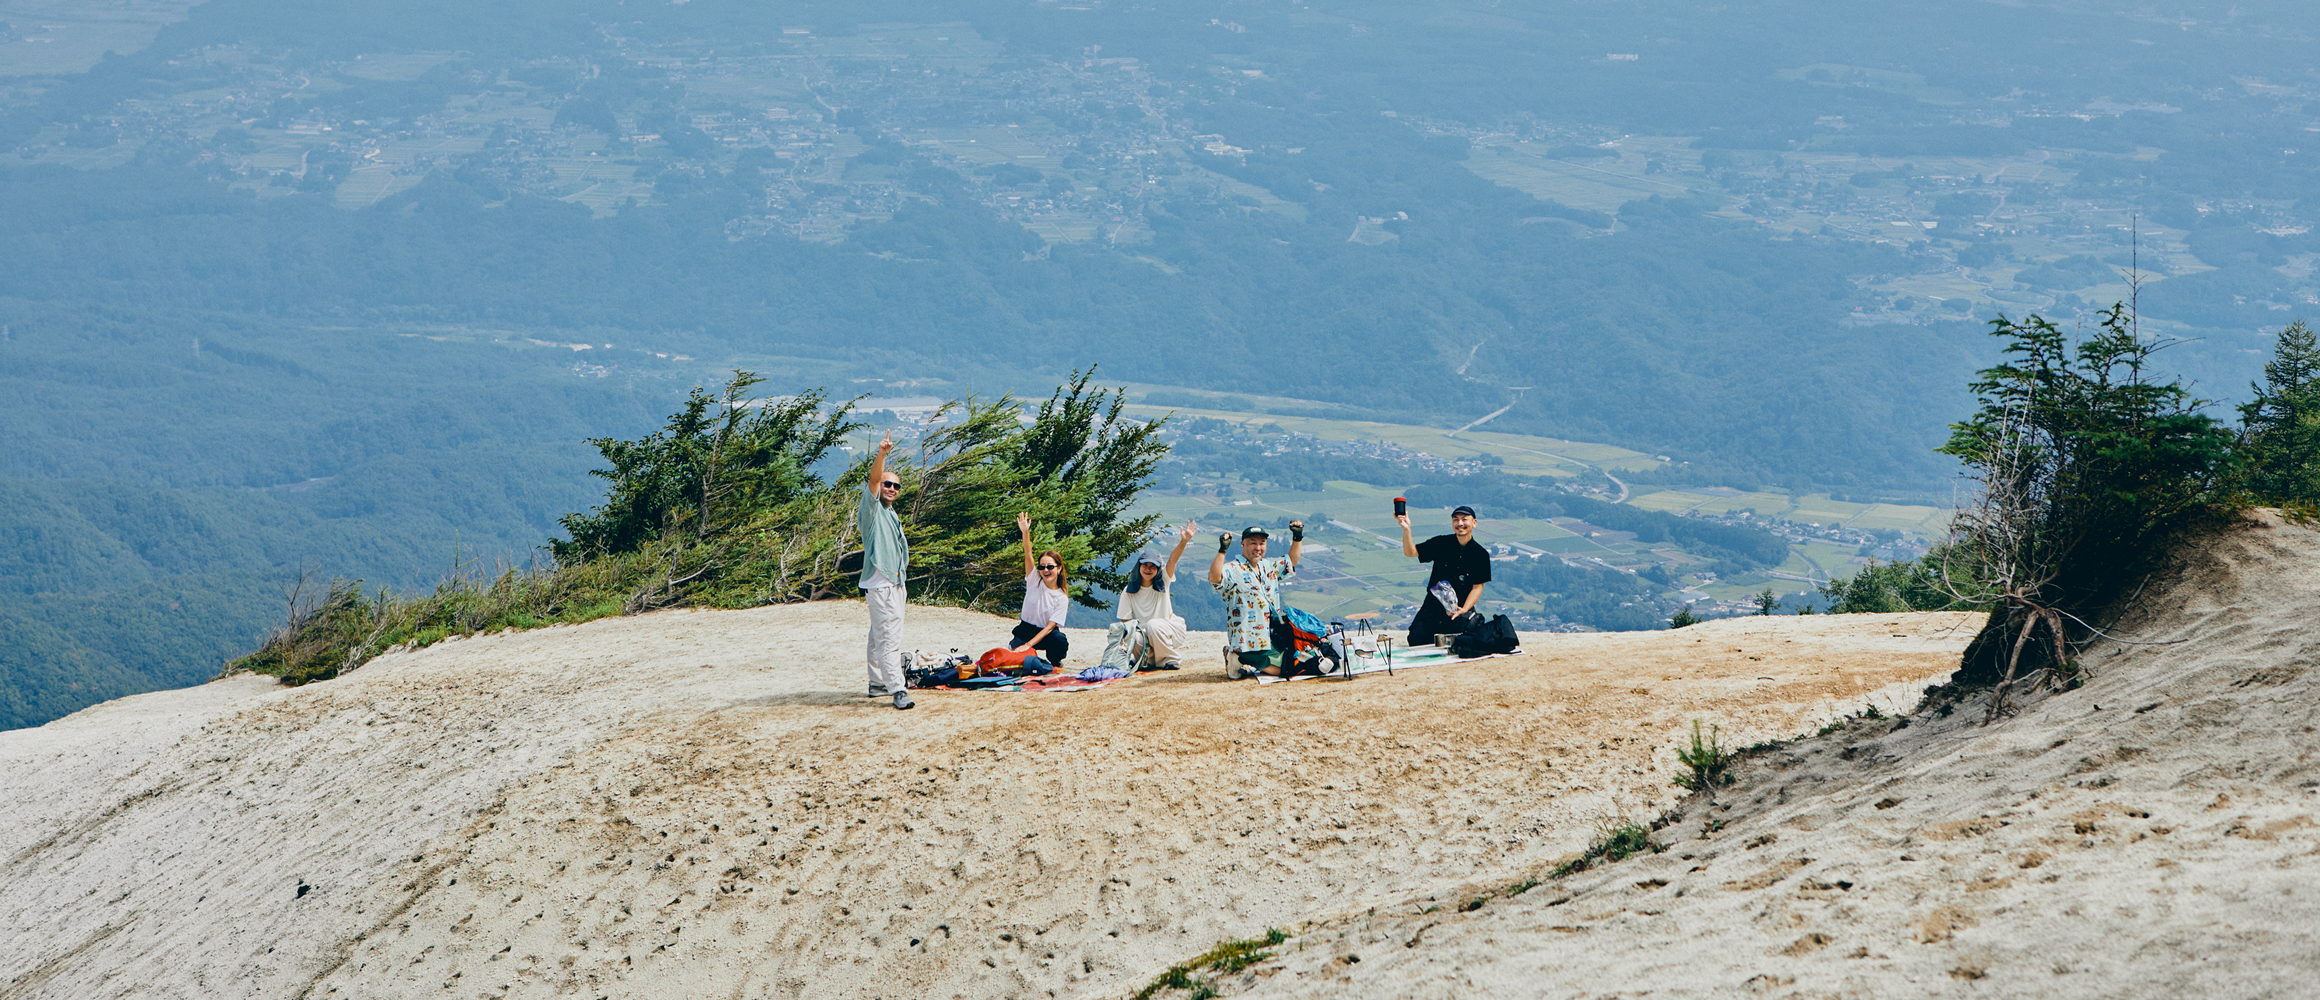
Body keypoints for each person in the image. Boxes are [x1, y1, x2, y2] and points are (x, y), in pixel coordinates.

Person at [859, 432, 913, 710]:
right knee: (889, 637)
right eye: (887, 483)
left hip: (893, 582)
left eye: (896, 486)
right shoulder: (872, 509)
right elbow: (872, 480)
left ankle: (877, 682)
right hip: (881, 583)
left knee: (878, 634)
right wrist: (882, 453)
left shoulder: (891, 513)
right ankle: (897, 689)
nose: (891, 488)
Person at [1209, 521, 1305, 678]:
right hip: (1246, 640)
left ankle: (1239, 657)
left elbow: (1291, 561)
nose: (1258, 548)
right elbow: (1215, 578)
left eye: (1262, 543)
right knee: (1285, 671)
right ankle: (1237, 656)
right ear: (1243, 545)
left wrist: (1297, 537)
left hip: (1270, 635)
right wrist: (1222, 550)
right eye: (1253, 543)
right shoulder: (1233, 568)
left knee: (1292, 663)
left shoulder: (1269, 566)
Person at [1398, 503, 1491, 646]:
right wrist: (1406, 529)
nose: (1460, 523)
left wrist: (1464, 609)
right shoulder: (1441, 543)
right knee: (1416, 639)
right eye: (1456, 519)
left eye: (1464, 519)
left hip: (1459, 608)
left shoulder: (1480, 554)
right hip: (1433, 605)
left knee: (1459, 642)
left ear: (1474, 522)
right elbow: (1410, 552)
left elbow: (1477, 587)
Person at [1116, 521, 1196, 670]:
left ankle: (1170, 659)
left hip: (1168, 629)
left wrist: (1183, 541)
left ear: (1158, 569)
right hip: (1146, 635)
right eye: (1145, 565)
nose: (1148, 569)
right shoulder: (1128, 591)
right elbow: (1126, 623)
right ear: (1139, 566)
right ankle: (1146, 660)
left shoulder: (1163, 582)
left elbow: (1173, 560)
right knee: (1132, 633)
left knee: (1153, 625)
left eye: (1153, 566)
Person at [1011, 512, 1072, 666]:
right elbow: (1028, 553)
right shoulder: (1034, 581)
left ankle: (1056, 661)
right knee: (1019, 662)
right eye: (1042, 567)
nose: (1046, 570)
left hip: (1047, 634)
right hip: (1025, 630)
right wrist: (1025, 532)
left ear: (1059, 568)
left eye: (1050, 567)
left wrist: (1028, 645)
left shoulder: (1061, 597)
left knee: (1059, 640)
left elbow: (1050, 627)